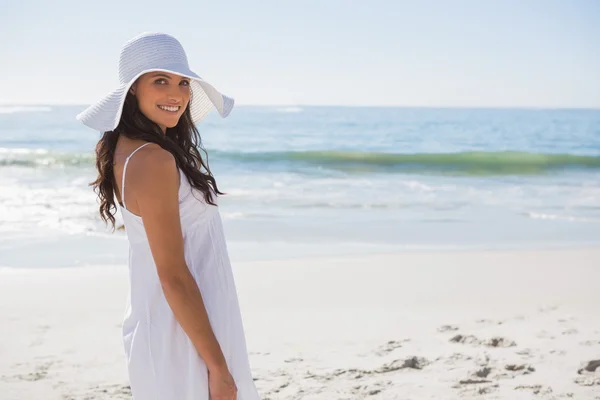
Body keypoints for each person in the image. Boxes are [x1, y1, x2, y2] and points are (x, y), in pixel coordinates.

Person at [76, 32, 260, 400]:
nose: (176, 94)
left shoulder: (124, 149)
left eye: (183, 83)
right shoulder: (153, 159)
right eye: (160, 81)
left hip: (168, 322)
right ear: (132, 90)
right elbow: (173, 275)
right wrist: (219, 368)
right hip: (185, 333)